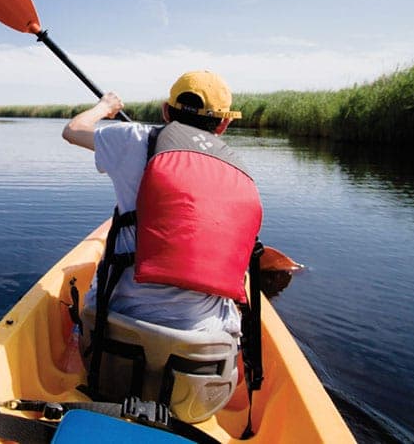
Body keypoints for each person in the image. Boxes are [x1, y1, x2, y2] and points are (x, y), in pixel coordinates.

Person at [62, 70, 263, 420]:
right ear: (223, 126)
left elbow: (72, 130)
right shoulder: (238, 169)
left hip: (112, 344)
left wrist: (104, 107)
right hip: (200, 363)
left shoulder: (134, 138)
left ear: (165, 111)